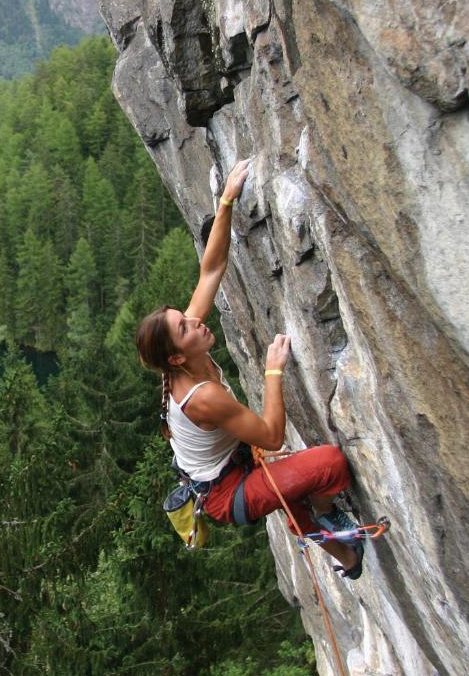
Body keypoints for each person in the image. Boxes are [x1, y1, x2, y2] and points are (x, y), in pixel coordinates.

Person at [135, 159, 364, 579]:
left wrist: (225, 202)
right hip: (226, 493)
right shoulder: (200, 398)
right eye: (184, 327)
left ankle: (331, 540)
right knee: (329, 464)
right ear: (176, 357)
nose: (195, 321)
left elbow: (212, 269)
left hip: (230, 471)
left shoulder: (185, 354)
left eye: (184, 317)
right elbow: (273, 435)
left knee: (291, 481)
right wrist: (273, 371)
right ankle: (331, 525)